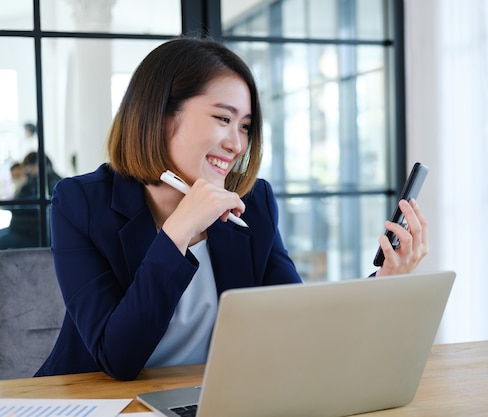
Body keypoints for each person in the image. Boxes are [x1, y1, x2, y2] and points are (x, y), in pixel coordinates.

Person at [35, 37, 428, 381]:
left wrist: (386, 281)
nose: (237, 145)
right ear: (160, 115)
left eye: (245, 126)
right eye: (223, 118)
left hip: (210, 399)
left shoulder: (253, 202)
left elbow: (298, 330)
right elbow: (117, 359)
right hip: (94, 402)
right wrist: (180, 229)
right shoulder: (80, 203)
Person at [0, 152, 62, 251]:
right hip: (30, 231)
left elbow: (19, 204)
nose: (27, 171)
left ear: (37, 164)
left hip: (32, 235)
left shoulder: (39, 183)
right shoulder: (55, 181)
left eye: (28, 167)